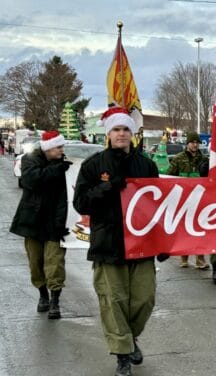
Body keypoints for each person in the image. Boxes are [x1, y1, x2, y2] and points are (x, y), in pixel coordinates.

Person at [73, 107, 161, 376]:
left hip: (142, 245)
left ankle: (129, 338)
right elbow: (81, 203)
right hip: (108, 244)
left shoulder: (147, 165)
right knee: (114, 301)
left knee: (144, 300)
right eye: (116, 130)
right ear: (108, 134)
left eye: (125, 129)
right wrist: (107, 187)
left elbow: (159, 206)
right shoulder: (93, 165)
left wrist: (165, 243)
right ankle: (123, 353)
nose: (121, 134)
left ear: (132, 134)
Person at [10, 130, 70, 320]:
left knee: (55, 264)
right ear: (48, 148)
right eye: (58, 147)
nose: (61, 150)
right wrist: (56, 169)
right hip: (32, 221)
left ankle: (54, 300)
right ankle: (42, 295)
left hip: (55, 222)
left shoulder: (64, 164)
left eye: (62, 147)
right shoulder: (30, 160)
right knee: (36, 263)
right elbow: (31, 180)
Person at [167, 131, 209, 270]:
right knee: (183, 229)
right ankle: (184, 256)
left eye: (197, 142)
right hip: (183, 199)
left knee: (199, 229)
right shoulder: (178, 158)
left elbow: (209, 179)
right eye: (193, 142)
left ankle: (200, 259)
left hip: (199, 199)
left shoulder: (204, 159)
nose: (195, 145)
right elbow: (169, 177)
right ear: (187, 144)